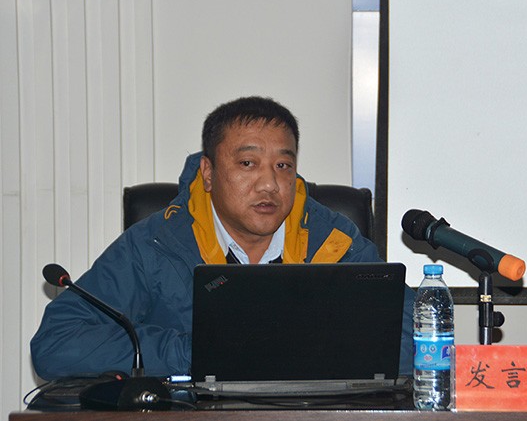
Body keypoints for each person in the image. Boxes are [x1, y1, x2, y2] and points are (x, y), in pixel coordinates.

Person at [31, 96, 413, 380]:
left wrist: (290, 347)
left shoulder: (333, 240)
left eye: (283, 165)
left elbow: (419, 338)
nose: (270, 183)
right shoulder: (156, 245)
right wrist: (199, 352)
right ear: (209, 173)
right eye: (248, 163)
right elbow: (57, 343)